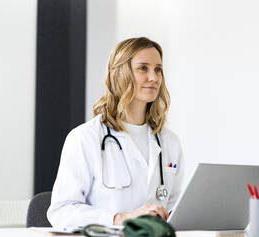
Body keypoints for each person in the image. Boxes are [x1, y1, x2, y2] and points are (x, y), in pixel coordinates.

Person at [47, 37, 184, 227]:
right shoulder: (85, 138)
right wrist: (119, 219)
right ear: (120, 74)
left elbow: (174, 208)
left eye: (158, 69)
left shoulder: (169, 141)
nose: (154, 78)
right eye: (143, 68)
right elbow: (61, 212)